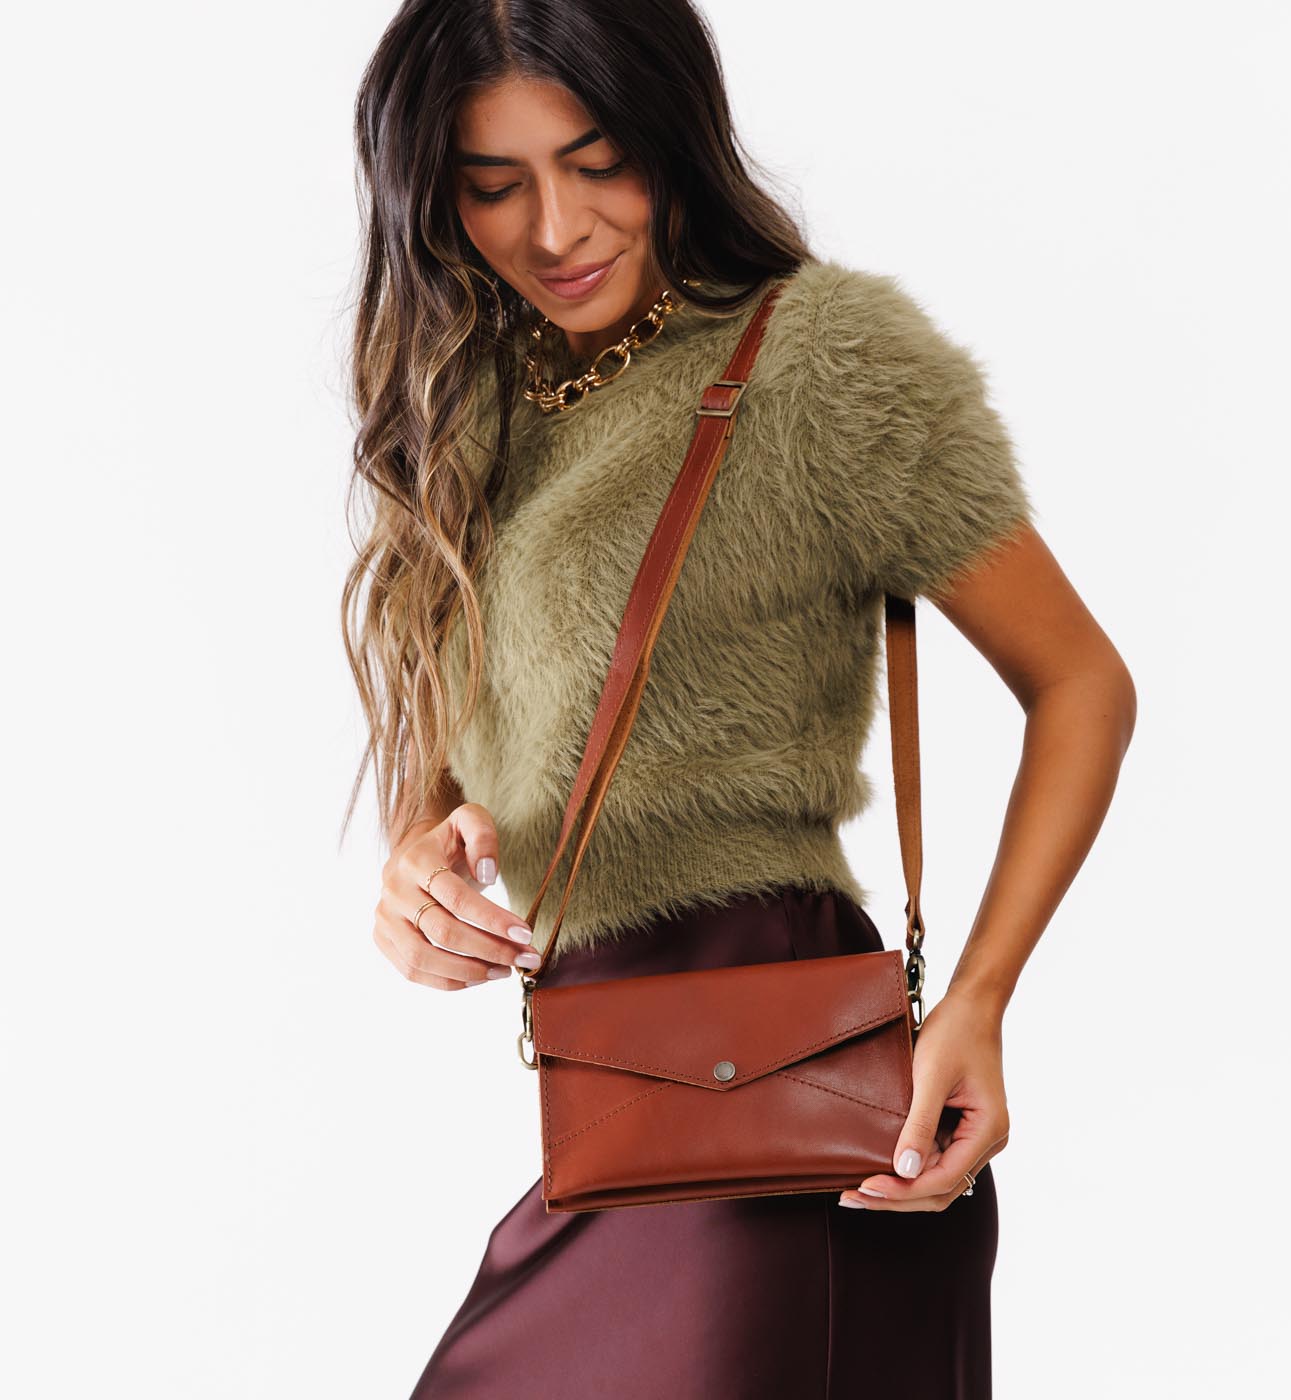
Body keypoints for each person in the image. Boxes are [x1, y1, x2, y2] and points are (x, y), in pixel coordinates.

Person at [340, 2, 1136, 1396]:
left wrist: (979, 1000)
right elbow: (484, 721)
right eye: (494, 184)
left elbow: (1080, 681)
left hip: (793, 1120)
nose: (556, 229)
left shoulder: (822, 359)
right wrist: (423, 852)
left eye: (599, 162)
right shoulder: (474, 396)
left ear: (673, 136)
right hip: (610, 1111)